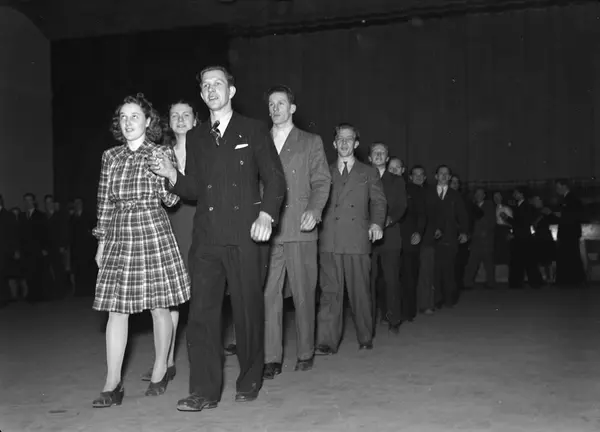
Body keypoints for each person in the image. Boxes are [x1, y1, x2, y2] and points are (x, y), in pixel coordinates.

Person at [149, 66, 286, 412]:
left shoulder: (253, 129)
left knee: (247, 311)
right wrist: (171, 174)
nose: (212, 90)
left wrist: (267, 215)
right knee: (201, 315)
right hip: (207, 238)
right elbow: (194, 189)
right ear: (202, 94)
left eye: (218, 84)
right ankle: (203, 391)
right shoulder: (196, 136)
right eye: (206, 86)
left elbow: (275, 179)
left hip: (245, 235)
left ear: (231, 91)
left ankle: (250, 378)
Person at [92, 93, 191, 408]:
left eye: (134, 116)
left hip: (151, 229)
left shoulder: (160, 152)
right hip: (119, 232)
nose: (128, 122)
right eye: (123, 117)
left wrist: (169, 174)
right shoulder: (110, 156)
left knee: (159, 306)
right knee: (116, 309)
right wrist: (101, 242)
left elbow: (172, 200)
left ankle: (161, 369)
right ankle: (112, 383)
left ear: (148, 122)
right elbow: (104, 203)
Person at [262, 85, 331, 379]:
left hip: (300, 226)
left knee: (303, 293)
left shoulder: (310, 141)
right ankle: (271, 357)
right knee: (269, 294)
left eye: (280, 103)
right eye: (271, 104)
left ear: (292, 108)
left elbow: (322, 181)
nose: (275, 108)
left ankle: (305, 352)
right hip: (268, 229)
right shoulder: (260, 140)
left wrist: (314, 211)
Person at [139, 100, 198, 383]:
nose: (181, 119)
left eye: (186, 115)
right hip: (170, 225)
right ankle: (166, 361)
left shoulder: (205, 151)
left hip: (199, 223)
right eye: (175, 115)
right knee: (169, 298)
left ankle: (201, 360)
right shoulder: (160, 153)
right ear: (169, 122)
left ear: (196, 121)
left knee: (200, 294)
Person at [315, 123, 387, 355]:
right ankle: (327, 341)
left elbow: (379, 202)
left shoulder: (368, 172)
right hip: (330, 240)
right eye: (340, 139)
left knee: (360, 292)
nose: (344, 143)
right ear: (334, 143)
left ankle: (365, 336)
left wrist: (376, 223)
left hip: (357, 239)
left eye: (349, 139)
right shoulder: (323, 171)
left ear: (356, 144)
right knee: (330, 292)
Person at [368, 143, 406, 334]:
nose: (379, 155)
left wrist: (388, 220)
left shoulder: (397, 180)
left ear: (387, 158)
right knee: (368, 281)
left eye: (382, 152)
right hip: (366, 237)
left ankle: (394, 319)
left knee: (391, 280)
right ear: (369, 158)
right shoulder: (362, 177)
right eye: (375, 152)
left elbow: (401, 205)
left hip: (390, 236)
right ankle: (368, 322)